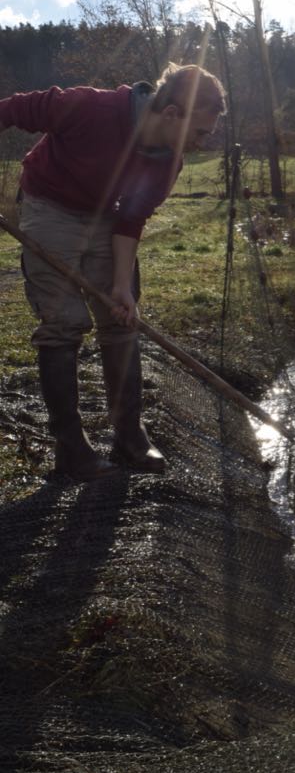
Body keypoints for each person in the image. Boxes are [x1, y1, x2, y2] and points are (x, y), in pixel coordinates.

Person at [0, 63, 227, 481]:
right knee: (64, 322)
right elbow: (15, 108)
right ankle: (72, 450)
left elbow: (131, 219)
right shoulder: (91, 107)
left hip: (106, 216)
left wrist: (122, 287)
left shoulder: (168, 163)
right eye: (201, 132)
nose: (203, 142)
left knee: (122, 321)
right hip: (50, 205)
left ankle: (129, 438)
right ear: (173, 113)